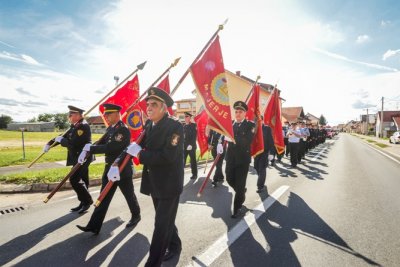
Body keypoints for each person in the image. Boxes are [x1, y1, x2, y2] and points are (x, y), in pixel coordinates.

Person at [120, 87, 184, 266]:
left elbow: (167, 156)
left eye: (154, 104)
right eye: (148, 104)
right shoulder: (149, 124)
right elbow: (138, 144)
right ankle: (176, 245)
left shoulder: (175, 126)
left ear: (164, 108)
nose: (148, 107)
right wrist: (118, 162)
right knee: (166, 220)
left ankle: (152, 263)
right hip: (155, 183)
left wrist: (140, 154)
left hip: (169, 185)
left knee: (161, 225)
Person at [76, 103, 141, 234]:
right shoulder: (110, 129)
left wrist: (92, 149)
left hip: (121, 169)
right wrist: (87, 149)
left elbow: (111, 147)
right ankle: (94, 225)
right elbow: (101, 143)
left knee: (129, 195)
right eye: (105, 114)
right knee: (103, 197)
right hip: (109, 168)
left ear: (117, 114)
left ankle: (136, 215)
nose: (106, 116)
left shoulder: (123, 130)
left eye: (109, 114)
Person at [43, 105, 93, 213]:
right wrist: (50, 143)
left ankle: (87, 201)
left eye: (71, 114)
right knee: (83, 180)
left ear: (79, 115)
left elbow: (73, 143)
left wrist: (61, 141)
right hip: (77, 157)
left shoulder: (83, 126)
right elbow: (64, 135)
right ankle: (83, 202)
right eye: (69, 114)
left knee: (74, 179)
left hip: (83, 157)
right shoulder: (74, 125)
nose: (69, 116)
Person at [225, 101, 255, 218]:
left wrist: (232, 138)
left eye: (240, 112)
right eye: (236, 111)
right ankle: (241, 191)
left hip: (243, 160)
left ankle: (237, 208)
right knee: (229, 179)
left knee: (240, 183)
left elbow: (247, 141)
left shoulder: (250, 125)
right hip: (231, 158)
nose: (237, 114)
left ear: (245, 113)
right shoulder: (230, 124)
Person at [254, 119, 274, 194]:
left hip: (264, 152)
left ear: (262, 120)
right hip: (256, 152)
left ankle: (260, 186)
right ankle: (261, 179)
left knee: (262, 168)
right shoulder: (253, 128)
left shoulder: (267, 128)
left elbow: (271, 141)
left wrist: (271, 153)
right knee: (256, 167)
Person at [183, 112, 198, 180]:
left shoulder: (193, 125)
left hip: (191, 147)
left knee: (193, 161)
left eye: (186, 116)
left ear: (189, 117)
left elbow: (194, 136)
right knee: (182, 161)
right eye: (185, 117)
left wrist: (191, 145)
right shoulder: (183, 126)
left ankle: (194, 174)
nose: (185, 118)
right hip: (184, 146)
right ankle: (180, 174)